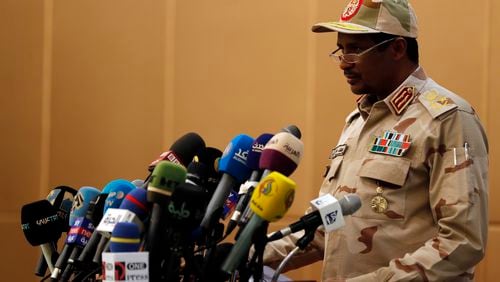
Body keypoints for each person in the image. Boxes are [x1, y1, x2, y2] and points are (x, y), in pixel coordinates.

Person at [262, 0, 489, 281]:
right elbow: (326, 225)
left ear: (396, 48)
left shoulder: (447, 119)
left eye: (356, 49)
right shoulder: (358, 121)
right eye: (341, 49)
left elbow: (462, 242)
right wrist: (248, 254)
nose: (344, 63)